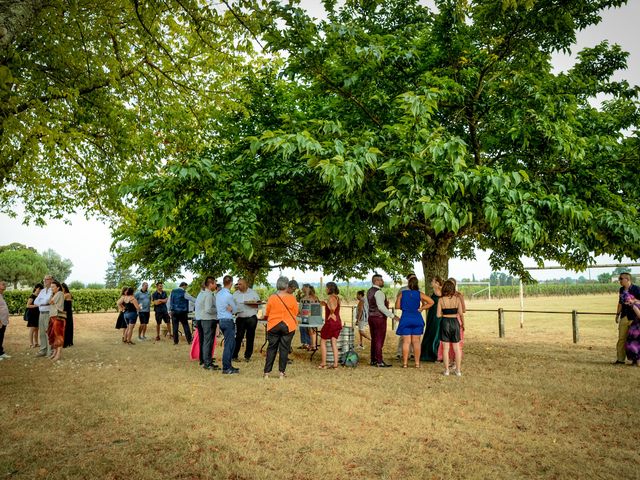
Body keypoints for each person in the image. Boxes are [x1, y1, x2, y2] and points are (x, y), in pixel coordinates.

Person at [263, 276, 299, 379]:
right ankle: (281, 373)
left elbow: (267, 312)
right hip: (288, 325)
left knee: (271, 348)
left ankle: (267, 373)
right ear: (287, 285)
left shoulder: (272, 297)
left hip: (273, 325)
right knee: (284, 349)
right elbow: (296, 312)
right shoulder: (292, 298)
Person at [395, 276, 434, 368]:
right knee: (416, 342)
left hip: (405, 318)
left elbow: (397, 306)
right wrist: (422, 308)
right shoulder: (419, 294)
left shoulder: (402, 293)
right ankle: (417, 363)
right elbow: (431, 302)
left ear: (408, 284)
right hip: (417, 318)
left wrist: (404, 307)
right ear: (417, 284)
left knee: (406, 342)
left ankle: (405, 364)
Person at [364, 273, 399, 367]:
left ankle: (373, 359)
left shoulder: (369, 291)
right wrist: (393, 316)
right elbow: (381, 307)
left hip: (371, 317)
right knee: (379, 339)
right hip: (379, 318)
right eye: (381, 280)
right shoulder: (379, 292)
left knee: (374, 339)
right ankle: (379, 361)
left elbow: (367, 305)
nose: (383, 282)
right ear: (376, 281)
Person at [438, 280, 464, 376]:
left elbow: (438, 315)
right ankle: (458, 371)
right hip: (455, 322)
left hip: (445, 322)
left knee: (445, 348)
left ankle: (447, 371)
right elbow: (460, 313)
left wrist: (444, 312)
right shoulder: (457, 299)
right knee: (457, 348)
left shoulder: (441, 300)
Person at [614, 272, 640, 364]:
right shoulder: (621, 290)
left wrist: (633, 301)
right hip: (624, 317)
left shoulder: (637, 289)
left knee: (634, 340)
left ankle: (635, 360)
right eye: (619, 279)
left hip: (634, 318)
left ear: (627, 279)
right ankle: (620, 360)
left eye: (621, 279)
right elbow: (620, 303)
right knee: (621, 339)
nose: (619, 281)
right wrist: (617, 315)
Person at [232, 278, 261, 362]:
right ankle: (234, 355)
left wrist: (254, 305)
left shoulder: (253, 293)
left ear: (245, 285)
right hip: (240, 318)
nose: (238, 286)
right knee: (238, 337)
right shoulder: (235, 294)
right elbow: (232, 306)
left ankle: (247, 356)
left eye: (240, 284)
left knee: (250, 337)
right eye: (238, 284)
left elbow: (259, 305)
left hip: (251, 317)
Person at [216, 275, 238, 374]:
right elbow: (235, 309)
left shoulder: (218, 294)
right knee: (229, 345)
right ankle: (226, 367)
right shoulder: (229, 295)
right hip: (228, 321)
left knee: (229, 344)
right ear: (231, 283)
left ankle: (229, 365)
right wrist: (232, 309)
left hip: (221, 320)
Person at [318, 282, 343, 369]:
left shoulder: (330, 297)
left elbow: (332, 308)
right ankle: (335, 364)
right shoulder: (337, 297)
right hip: (338, 322)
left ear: (329, 288)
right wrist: (325, 304)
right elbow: (334, 306)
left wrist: (331, 313)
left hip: (331, 322)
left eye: (326, 288)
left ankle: (323, 363)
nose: (325, 289)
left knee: (323, 341)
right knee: (334, 342)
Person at [420, 277, 443, 362]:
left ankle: (434, 354)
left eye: (433, 281)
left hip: (437, 315)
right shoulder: (433, 291)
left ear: (437, 283)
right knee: (430, 331)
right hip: (432, 314)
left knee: (435, 333)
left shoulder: (441, 291)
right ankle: (427, 353)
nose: (431, 282)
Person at [396, 273, 417, 359]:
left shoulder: (417, 290)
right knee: (403, 335)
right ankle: (400, 352)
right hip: (406, 313)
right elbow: (398, 301)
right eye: (411, 278)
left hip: (414, 314)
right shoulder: (402, 290)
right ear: (408, 280)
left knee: (414, 334)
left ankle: (412, 352)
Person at [199, 277, 219, 371]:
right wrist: (218, 310)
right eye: (215, 283)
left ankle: (207, 361)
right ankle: (207, 363)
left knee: (207, 341)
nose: (215, 285)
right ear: (210, 284)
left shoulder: (204, 293)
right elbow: (208, 309)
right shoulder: (208, 295)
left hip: (205, 319)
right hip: (208, 320)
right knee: (208, 342)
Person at [34, 275, 53, 357]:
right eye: (44, 279)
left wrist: (42, 302)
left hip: (48, 313)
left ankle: (50, 351)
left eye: (47, 279)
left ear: (51, 280)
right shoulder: (42, 291)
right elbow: (35, 302)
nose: (45, 281)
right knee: (41, 333)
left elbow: (48, 300)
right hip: (41, 314)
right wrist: (43, 302)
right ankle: (43, 350)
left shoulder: (53, 290)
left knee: (48, 333)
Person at [47, 280, 66, 361]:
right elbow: (50, 302)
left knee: (58, 336)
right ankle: (55, 352)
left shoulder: (59, 293)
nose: (51, 288)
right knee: (53, 336)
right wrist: (52, 294)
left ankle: (58, 354)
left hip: (58, 317)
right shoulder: (55, 294)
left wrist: (51, 295)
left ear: (58, 287)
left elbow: (50, 301)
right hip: (53, 316)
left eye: (53, 287)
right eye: (51, 287)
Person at [623, 294, 640, 366]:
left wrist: (632, 305)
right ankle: (635, 361)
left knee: (635, 343)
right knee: (631, 343)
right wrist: (632, 302)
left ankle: (638, 361)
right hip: (635, 325)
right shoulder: (637, 301)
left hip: (638, 327)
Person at [194, 282, 208, 365]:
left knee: (202, 340)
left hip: (199, 319)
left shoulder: (200, 294)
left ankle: (202, 357)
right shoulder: (205, 295)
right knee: (205, 340)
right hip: (203, 319)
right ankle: (204, 358)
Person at [25, 283, 43, 348]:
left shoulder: (40, 296)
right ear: (36, 288)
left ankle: (36, 343)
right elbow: (28, 305)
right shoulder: (32, 296)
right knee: (32, 329)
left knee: (37, 329)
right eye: (39, 289)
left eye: (41, 289)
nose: (40, 290)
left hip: (38, 314)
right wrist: (36, 305)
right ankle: (30, 343)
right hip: (32, 314)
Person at [61, 283, 74, 348]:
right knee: (63, 327)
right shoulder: (62, 294)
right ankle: (63, 341)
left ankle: (67, 342)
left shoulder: (67, 294)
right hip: (63, 312)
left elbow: (61, 301)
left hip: (67, 313)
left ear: (64, 288)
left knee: (67, 326)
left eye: (61, 287)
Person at [0, 281, 9, 361]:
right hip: (0, 321)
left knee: (1, 336)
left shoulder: (1, 295)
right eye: (2, 284)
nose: (4, 286)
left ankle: (1, 353)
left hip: (3, 320)